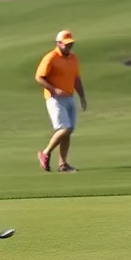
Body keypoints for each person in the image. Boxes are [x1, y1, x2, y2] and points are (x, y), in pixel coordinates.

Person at [36, 30, 86, 173]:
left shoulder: (73, 58)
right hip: (54, 98)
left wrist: (82, 96)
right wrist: (54, 89)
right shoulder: (51, 58)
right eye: (66, 44)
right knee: (65, 128)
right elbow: (39, 77)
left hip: (69, 97)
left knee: (68, 131)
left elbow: (76, 78)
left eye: (70, 44)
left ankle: (63, 164)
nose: (69, 46)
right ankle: (45, 153)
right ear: (58, 43)